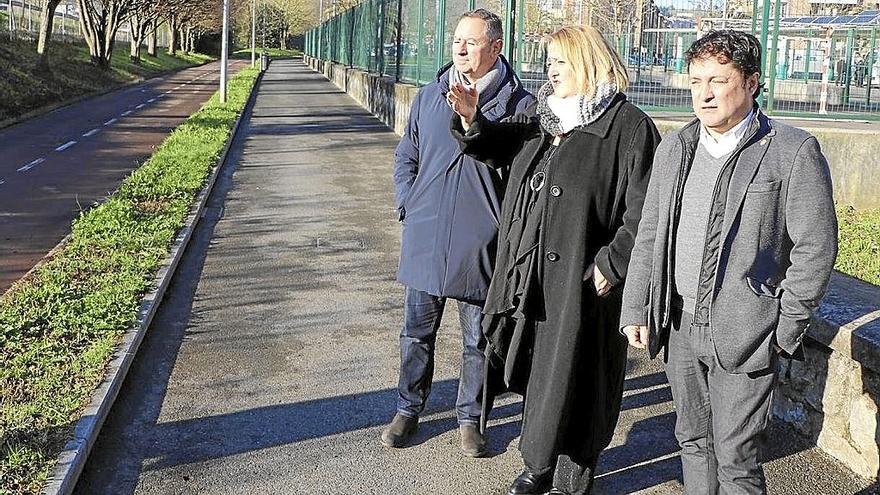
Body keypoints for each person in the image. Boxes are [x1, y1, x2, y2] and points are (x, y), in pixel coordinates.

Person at [620, 30, 837, 494]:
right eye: (696, 80)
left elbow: (816, 248)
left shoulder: (790, 151)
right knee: (693, 442)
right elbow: (651, 232)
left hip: (747, 332)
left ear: (752, 82)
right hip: (680, 326)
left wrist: (785, 328)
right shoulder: (676, 147)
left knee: (737, 459)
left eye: (718, 80)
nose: (704, 93)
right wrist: (636, 305)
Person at [448, 25, 660, 494]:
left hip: (585, 287)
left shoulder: (627, 127)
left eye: (561, 62)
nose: (551, 71)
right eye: (548, 62)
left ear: (589, 62)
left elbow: (647, 212)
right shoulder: (547, 119)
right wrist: (471, 121)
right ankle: (538, 465)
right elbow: (500, 145)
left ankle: (571, 479)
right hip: (534, 278)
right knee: (543, 375)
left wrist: (611, 264)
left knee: (581, 385)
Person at [383, 8, 534, 457]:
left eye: (471, 41)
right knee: (416, 333)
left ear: (496, 48)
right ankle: (407, 409)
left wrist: (500, 229)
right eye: (456, 41)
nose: (460, 48)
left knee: (477, 341)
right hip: (425, 232)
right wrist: (407, 203)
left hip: (479, 242)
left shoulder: (519, 105)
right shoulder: (430, 95)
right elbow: (406, 154)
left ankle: (470, 418)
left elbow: (517, 174)